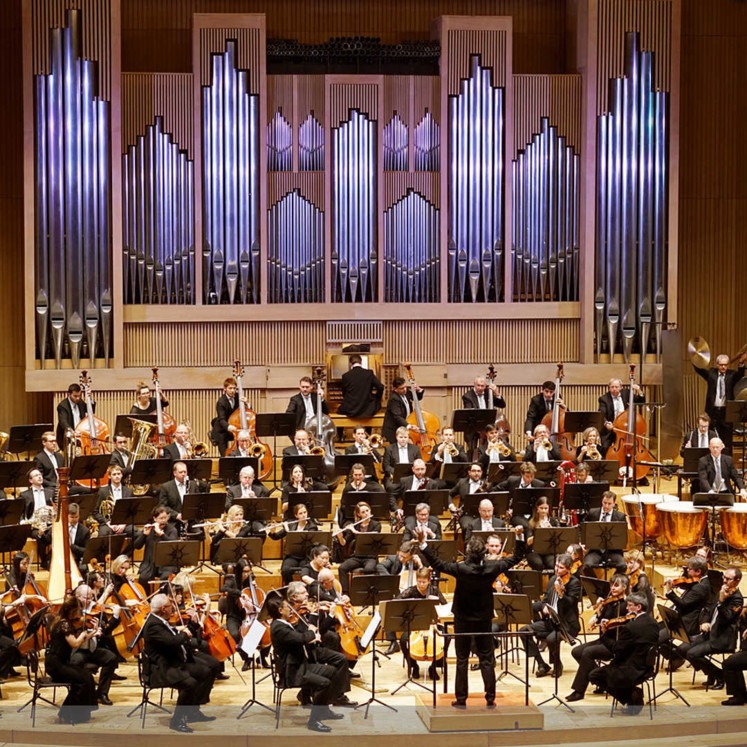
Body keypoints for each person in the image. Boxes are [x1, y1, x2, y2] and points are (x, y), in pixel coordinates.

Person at [413, 528, 525, 708]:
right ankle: (490, 698)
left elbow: (438, 564)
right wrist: (519, 537)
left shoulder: (460, 568)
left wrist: (423, 543)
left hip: (463, 618)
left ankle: (461, 699)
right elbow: (517, 557)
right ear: (484, 552)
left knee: (462, 658)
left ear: (468, 553)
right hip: (483, 618)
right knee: (486, 658)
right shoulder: (492, 567)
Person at [268, 595, 347, 733]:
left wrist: (310, 632)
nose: (290, 610)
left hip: (301, 665)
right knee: (324, 683)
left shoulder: (282, 624)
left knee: (333, 672)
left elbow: (301, 638)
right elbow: (301, 638)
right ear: (280, 610)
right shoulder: (278, 627)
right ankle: (314, 721)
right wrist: (311, 633)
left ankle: (323, 710)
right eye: (288, 607)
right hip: (293, 672)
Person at [142, 593, 217, 733]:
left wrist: (193, 624)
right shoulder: (153, 625)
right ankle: (177, 721)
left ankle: (193, 711)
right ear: (164, 609)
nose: (173, 609)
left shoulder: (159, 621)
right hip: (161, 668)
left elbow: (173, 638)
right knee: (190, 684)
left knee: (206, 671)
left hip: (172, 662)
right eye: (171, 606)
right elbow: (173, 642)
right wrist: (186, 632)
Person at [588, 593, 660, 714]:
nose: (626, 608)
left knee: (594, 675)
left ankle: (632, 696)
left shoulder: (630, 627)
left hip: (631, 670)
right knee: (607, 671)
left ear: (638, 607)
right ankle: (631, 694)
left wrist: (604, 634)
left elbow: (616, 650)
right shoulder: (653, 623)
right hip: (647, 667)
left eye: (630, 605)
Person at [566, 574, 630, 701]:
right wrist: (599, 612)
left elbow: (624, 626)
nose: (612, 588)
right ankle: (602, 679)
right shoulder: (609, 602)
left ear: (624, 587)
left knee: (587, 653)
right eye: (611, 585)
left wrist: (608, 623)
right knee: (576, 651)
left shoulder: (626, 605)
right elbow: (601, 620)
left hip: (614, 643)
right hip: (604, 640)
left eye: (616, 585)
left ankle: (579, 691)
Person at [678, 566, 743, 690]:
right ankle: (711, 673)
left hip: (722, 638)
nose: (724, 581)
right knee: (682, 649)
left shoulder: (737, 599)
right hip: (709, 634)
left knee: (692, 654)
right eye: (724, 577)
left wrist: (721, 602)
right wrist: (704, 621)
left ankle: (719, 675)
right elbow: (707, 609)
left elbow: (726, 619)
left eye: (728, 579)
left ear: (737, 580)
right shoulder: (721, 590)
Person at [521, 552, 581, 678]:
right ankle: (542, 664)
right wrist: (544, 607)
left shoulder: (574, 583)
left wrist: (561, 595)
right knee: (524, 631)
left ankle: (557, 665)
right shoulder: (553, 579)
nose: (557, 569)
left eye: (561, 567)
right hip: (551, 621)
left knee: (551, 639)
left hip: (566, 625)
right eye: (556, 566)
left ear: (569, 569)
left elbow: (570, 604)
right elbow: (545, 599)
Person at [45, 596, 99, 724]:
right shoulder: (63, 624)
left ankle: (83, 714)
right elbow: (75, 644)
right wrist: (83, 634)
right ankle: (66, 714)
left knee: (88, 676)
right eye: (79, 609)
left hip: (61, 663)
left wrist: (92, 633)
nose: (80, 613)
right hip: (56, 665)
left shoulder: (64, 622)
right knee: (81, 681)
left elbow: (77, 641)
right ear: (72, 610)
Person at [659, 556, 712, 670]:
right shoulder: (699, 581)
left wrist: (670, 592)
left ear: (698, 571)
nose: (687, 571)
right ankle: (675, 657)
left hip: (687, 623)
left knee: (657, 638)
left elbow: (683, 604)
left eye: (689, 569)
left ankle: (676, 656)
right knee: (655, 631)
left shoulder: (702, 587)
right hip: (680, 618)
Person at [71, 584, 120, 705]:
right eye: (85, 598)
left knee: (111, 658)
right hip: (78, 649)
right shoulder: (72, 611)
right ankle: (80, 694)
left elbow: (106, 631)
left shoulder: (96, 611)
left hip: (92, 648)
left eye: (91, 597)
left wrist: (100, 627)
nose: (89, 601)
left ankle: (102, 692)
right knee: (75, 663)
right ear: (77, 597)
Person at [396, 567, 447, 681]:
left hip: (432, 624)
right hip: (415, 625)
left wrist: (438, 605)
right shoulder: (411, 591)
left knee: (446, 637)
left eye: (424, 582)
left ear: (429, 581)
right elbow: (397, 603)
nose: (421, 584)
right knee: (404, 640)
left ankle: (434, 666)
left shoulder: (434, 590)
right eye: (419, 581)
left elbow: (445, 606)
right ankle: (413, 666)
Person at [693, 352, 747, 453]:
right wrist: (695, 356)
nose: (723, 367)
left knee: (727, 439)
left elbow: (740, 374)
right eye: (721, 365)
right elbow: (699, 370)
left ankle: (726, 461)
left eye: (725, 365)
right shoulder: (711, 373)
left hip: (726, 412)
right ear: (717, 364)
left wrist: (741, 362)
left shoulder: (731, 375)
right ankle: (711, 459)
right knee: (711, 437)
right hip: (712, 411)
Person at [269, 502, 321, 584]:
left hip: (305, 556)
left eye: (305, 512)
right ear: (296, 516)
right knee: (285, 570)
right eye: (300, 513)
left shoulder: (312, 527)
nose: (303, 515)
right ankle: (289, 588)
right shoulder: (292, 525)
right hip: (292, 555)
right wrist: (272, 531)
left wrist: (288, 531)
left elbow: (305, 543)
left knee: (306, 571)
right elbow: (276, 537)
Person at [336, 501, 381, 595]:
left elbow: (369, 536)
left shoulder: (376, 524)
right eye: (363, 512)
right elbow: (344, 543)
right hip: (357, 556)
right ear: (358, 514)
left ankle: (365, 593)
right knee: (342, 568)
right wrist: (340, 537)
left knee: (369, 569)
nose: (366, 514)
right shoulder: (355, 526)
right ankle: (345, 593)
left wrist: (355, 531)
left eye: (367, 511)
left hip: (370, 556)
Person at [133, 505, 179, 589]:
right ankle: (146, 600)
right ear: (155, 519)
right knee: (144, 578)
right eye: (161, 518)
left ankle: (163, 599)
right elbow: (137, 546)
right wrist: (144, 535)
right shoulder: (149, 529)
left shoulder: (172, 530)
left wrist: (162, 534)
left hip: (167, 564)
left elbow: (173, 545)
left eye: (165, 518)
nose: (163, 521)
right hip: (150, 563)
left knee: (165, 578)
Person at [582, 491, 628, 575]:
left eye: (609, 504)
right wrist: (582, 543)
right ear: (601, 501)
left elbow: (623, 537)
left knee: (622, 566)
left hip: (612, 552)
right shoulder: (593, 513)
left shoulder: (620, 517)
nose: (606, 506)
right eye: (604, 503)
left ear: (614, 504)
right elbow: (583, 528)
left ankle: (613, 585)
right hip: (595, 551)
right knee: (586, 565)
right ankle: (596, 587)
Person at [598, 377, 645, 452]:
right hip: (610, 428)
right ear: (609, 388)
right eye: (612, 387)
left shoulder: (626, 393)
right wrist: (606, 423)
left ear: (621, 387)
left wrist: (639, 391)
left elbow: (641, 403)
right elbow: (601, 414)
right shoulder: (604, 399)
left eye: (616, 387)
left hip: (624, 429)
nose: (614, 389)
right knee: (605, 450)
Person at [92, 465, 134, 537]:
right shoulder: (102, 491)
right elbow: (95, 512)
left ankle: (127, 549)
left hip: (124, 523)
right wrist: (108, 522)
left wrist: (123, 524)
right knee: (103, 534)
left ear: (122, 475)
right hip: (108, 523)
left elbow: (132, 511)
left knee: (137, 533)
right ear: (109, 476)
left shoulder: (128, 491)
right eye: (114, 474)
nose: (117, 476)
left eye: (118, 474)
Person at [382, 376, 424, 444]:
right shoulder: (394, 399)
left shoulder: (406, 392)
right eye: (401, 388)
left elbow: (417, 398)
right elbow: (397, 416)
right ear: (395, 389)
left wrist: (419, 390)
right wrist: (409, 426)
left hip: (402, 426)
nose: (405, 389)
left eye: (405, 387)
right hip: (393, 429)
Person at [525, 496, 559, 571]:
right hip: (534, 551)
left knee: (553, 564)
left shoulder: (553, 521)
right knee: (538, 564)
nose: (543, 511)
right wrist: (540, 533)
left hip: (548, 551)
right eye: (541, 508)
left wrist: (551, 530)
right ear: (537, 508)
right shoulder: (531, 522)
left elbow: (558, 539)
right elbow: (528, 542)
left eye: (545, 508)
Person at [209, 376, 240, 456]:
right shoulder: (221, 402)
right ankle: (212, 434)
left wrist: (247, 404)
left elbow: (246, 411)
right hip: (222, 430)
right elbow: (222, 419)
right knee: (224, 456)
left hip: (233, 428)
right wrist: (229, 426)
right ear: (225, 389)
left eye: (234, 388)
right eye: (230, 388)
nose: (233, 391)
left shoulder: (238, 397)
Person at [56, 382, 91, 447]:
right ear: (69, 394)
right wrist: (72, 432)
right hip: (67, 439)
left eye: (79, 396)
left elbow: (91, 410)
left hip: (80, 438)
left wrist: (89, 398)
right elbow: (63, 422)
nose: (78, 398)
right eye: (75, 396)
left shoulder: (80, 402)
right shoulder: (63, 406)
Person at [67, 503, 90, 571]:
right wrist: (40, 535)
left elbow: (86, 551)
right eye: (72, 517)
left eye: (76, 517)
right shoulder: (61, 527)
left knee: (83, 569)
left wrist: (72, 546)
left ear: (79, 516)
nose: (74, 519)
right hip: (62, 557)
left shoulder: (85, 531)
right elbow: (47, 539)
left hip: (77, 558)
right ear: (67, 516)